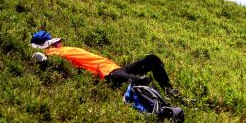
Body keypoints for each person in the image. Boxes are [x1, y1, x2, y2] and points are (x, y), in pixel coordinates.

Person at [29, 30, 175, 93]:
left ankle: (173, 93)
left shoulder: (63, 49)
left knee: (153, 59)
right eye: (55, 43)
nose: (58, 43)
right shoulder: (52, 53)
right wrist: (41, 56)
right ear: (48, 45)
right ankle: (162, 106)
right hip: (107, 75)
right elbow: (42, 59)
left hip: (116, 68)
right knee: (142, 80)